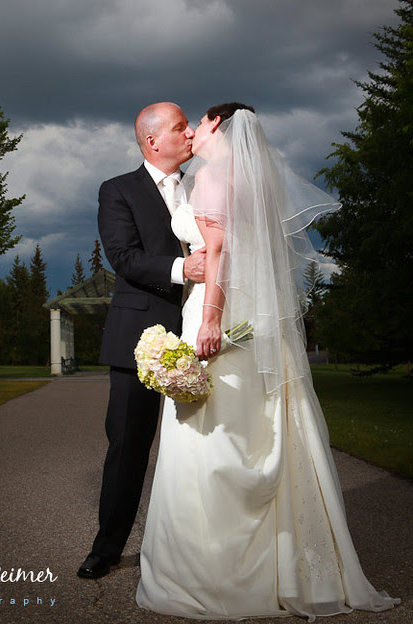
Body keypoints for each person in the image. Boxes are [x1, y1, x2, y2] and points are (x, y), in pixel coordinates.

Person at [137, 104, 400, 619]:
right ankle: (281, 565)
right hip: (256, 318)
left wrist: (209, 320)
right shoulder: (255, 181)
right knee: (261, 427)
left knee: (209, 434)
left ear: (218, 125)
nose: (193, 131)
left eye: (199, 123)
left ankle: (214, 572)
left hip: (219, 313)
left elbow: (219, 253)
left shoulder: (213, 176)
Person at [77, 101, 206, 580]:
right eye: (180, 127)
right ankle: (107, 548)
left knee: (201, 443)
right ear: (152, 141)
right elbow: (123, 257)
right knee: (129, 445)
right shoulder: (118, 190)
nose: (190, 132)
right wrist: (183, 268)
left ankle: (199, 547)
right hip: (140, 339)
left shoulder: (204, 184)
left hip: (201, 331)